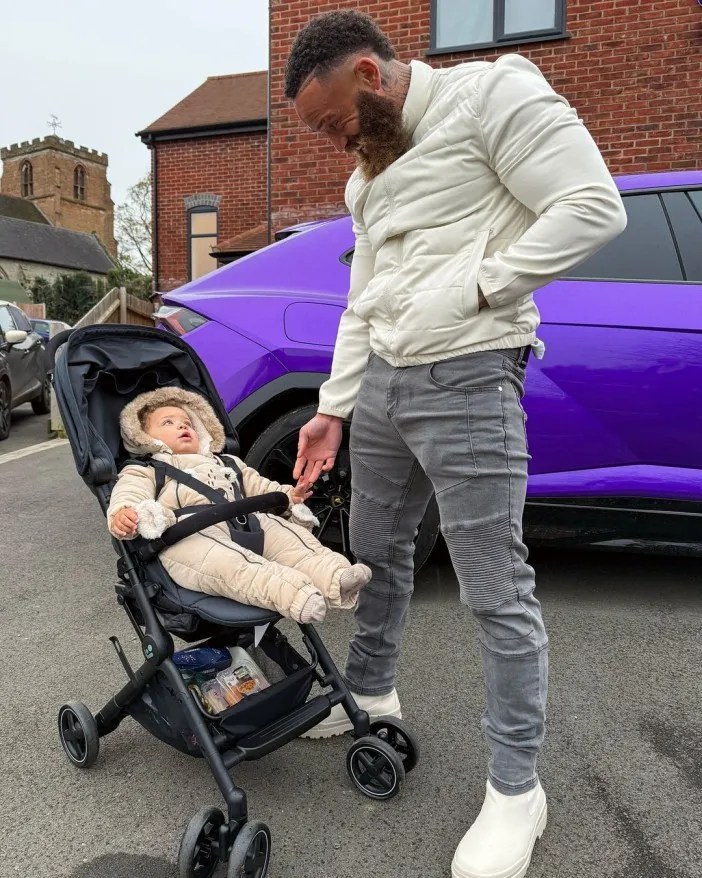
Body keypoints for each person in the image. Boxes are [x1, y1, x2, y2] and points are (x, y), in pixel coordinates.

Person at [285, 11, 626, 878]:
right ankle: (370, 691)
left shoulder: (493, 94)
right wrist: (333, 407)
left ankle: (518, 792)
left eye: (334, 124)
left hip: (471, 376)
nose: (336, 146)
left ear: (370, 73)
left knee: (493, 590)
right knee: (375, 553)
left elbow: (591, 205)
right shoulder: (369, 177)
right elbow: (365, 298)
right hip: (388, 389)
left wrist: (478, 289)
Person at [107, 387, 371, 622]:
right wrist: (123, 513)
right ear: (143, 437)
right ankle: (294, 594)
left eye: (187, 422)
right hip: (190, 535)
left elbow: (258, 486)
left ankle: (335, 577)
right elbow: (129, 492)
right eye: (168, 422)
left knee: (289, 538)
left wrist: (289, 494)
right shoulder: (148, 469)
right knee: (233, 566)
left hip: (243, 522)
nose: (182, 426)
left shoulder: (228, 463)